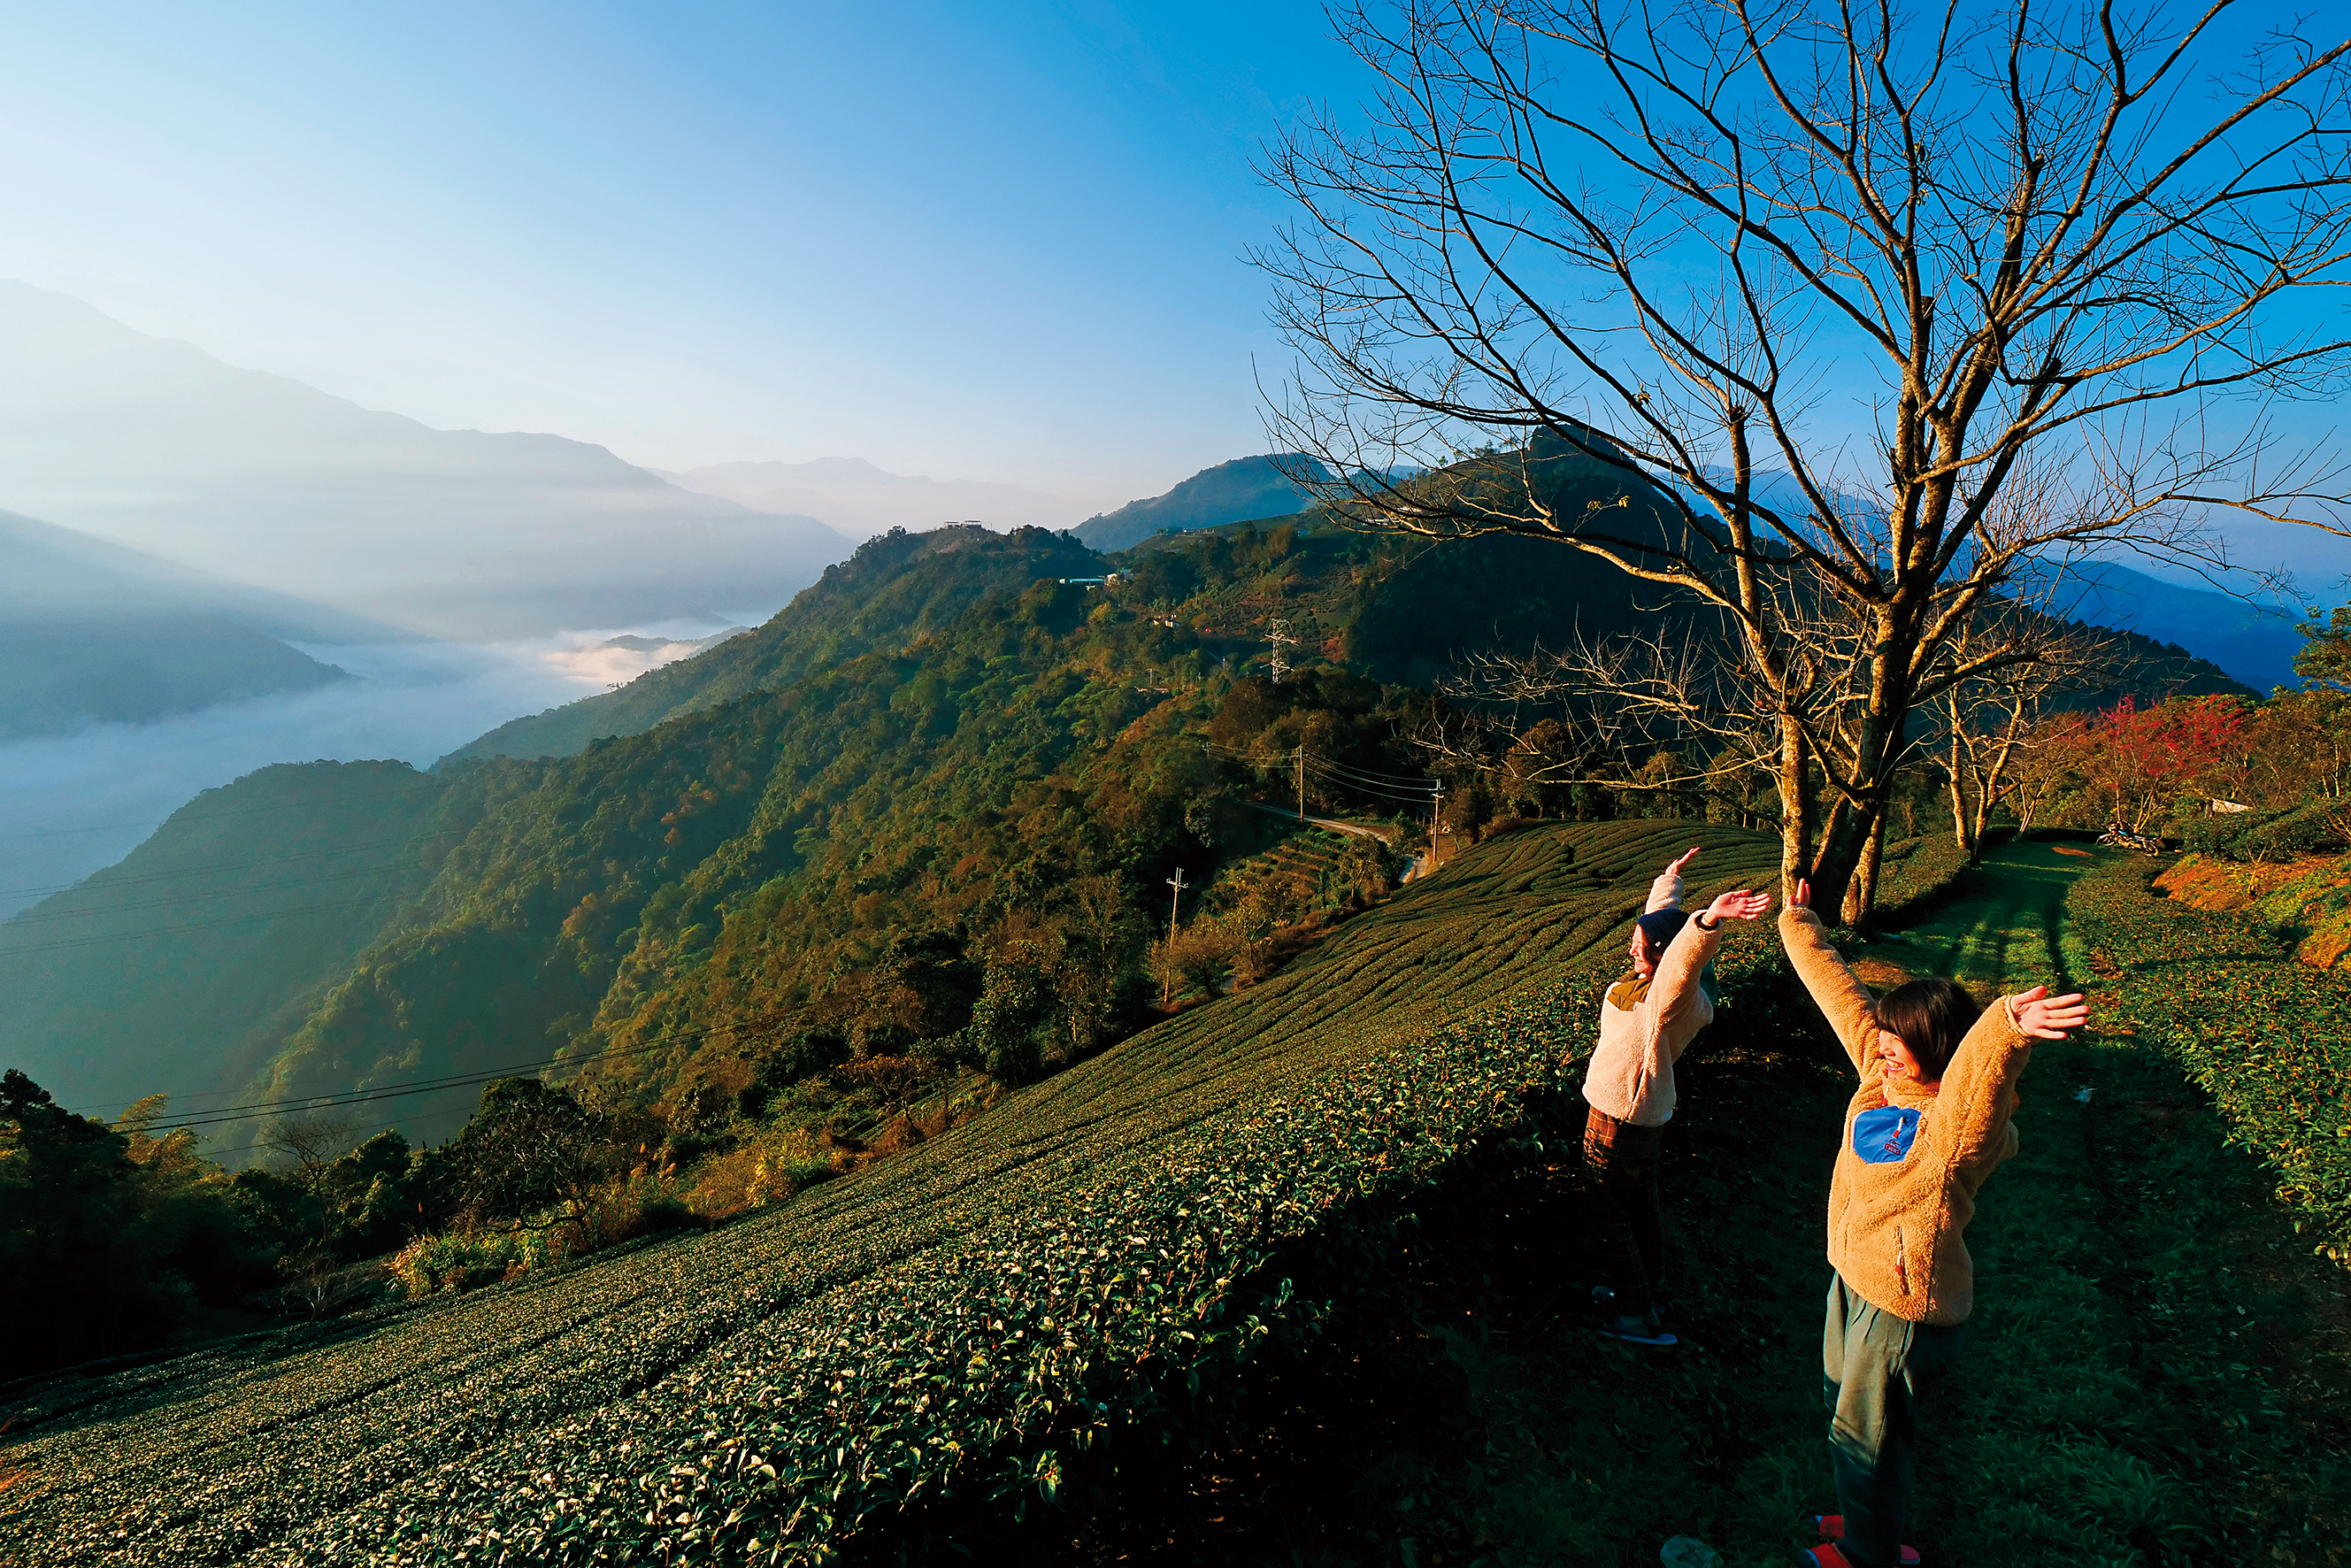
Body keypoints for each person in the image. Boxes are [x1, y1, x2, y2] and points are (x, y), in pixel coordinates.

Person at [1779, 878, 2087, 1568]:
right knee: (1845, 1413)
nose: (1881, 1048)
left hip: (1899, 1302)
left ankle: (1872, 1552)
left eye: (1898, 1042)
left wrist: (2005, 1026)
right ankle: (1864, 1516)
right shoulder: (1877, 1079)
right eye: (1882, 1039)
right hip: (1849, 1275)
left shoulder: (1952, 1130)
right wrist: (1800, 924)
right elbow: (1842, 1000)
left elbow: (1979, 1083)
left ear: (1939, 1048)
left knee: (1871, 1439)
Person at [1579, 845, 1772, 1347]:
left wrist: (1706, 922)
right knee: (1640, 1208)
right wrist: (1671, 883)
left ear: (1666, 955)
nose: (1631, 950)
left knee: (1611, 1212)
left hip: (1620, 1116)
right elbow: (1663, 930)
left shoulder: (1668, 1000)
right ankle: (1648, 1293)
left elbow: (1683, 960)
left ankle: (1635, 1313)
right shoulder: (1651, 985)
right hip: (1636, 1116)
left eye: (1641, 946)